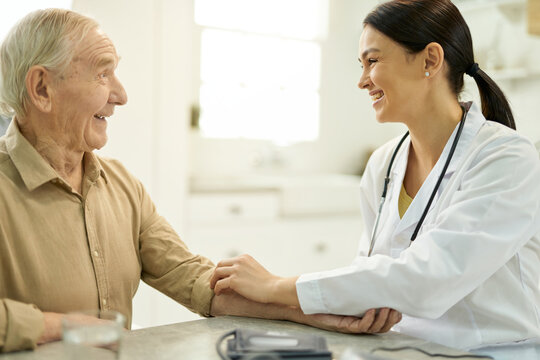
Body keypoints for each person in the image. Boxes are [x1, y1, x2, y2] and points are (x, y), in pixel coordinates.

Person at [0, 8, 401, 353]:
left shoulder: (120, 184)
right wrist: (61, 327)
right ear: (42, 88)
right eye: (102, 75)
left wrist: (315, 312)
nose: (120, 95)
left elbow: (193, 279)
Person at [211, 0, 540, 358]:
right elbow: (370, 273)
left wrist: (275, 286)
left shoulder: (507, 158)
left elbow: (429, 280)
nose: (362, 80)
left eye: (373, 61)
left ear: (430, 60)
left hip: (492, 351)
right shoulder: (383, 164)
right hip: (400, 347)